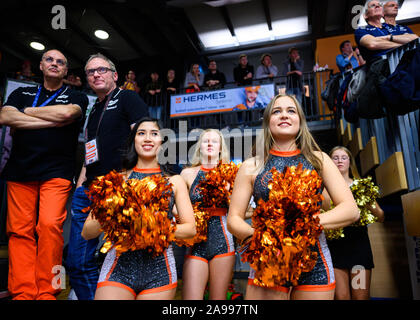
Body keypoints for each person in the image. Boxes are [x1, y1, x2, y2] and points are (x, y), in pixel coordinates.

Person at [227, 94, 359, 300]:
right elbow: (233, 218)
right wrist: (260, 237)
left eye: (291, 111)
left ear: (300, 120)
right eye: (276, 111)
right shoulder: (251, 166)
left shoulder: (319, 160)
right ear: (268, 122)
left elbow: (351, 210)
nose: (284, 115)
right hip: (268, 260)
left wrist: (302, 224)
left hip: (314, 262)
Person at [0, 49, 88, 300]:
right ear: (40, 65)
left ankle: (48, 290)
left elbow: (67, 114)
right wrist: (51, 120)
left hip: (57, 171)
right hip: (20, 170)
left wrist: (25, 113)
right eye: (49, 59)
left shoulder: (76, 95)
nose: (54, 64)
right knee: (19, 232)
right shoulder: (21, 92)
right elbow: (5, 115)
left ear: (65, 71)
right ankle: (23, 291)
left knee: (50, 226)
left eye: (60, 62)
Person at [81, 118, 196, 300]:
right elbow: (87, 233)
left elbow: (190, 229)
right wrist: (109, 210)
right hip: (118, 270)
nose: (147, 138)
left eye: (154, 134)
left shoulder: (174, 181)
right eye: (141, 133)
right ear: (133, 141)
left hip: (160, 274)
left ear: (162, 142)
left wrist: (152, 229)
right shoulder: (116, 180)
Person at [66, 53, 149, 300]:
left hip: (119, 189)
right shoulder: (93, 110)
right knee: (77, 263)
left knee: (125, 260)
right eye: (90, 72)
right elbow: (91, 152)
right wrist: (80, 185)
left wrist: (130, 177)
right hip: (88, 190)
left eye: (101, 69)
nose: (95, 74)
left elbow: (145, 138)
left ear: (114, 75)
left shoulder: (127, 97)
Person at [322, 146, 384, 300]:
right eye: (335, 158)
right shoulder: (322, 188)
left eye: (344, 157)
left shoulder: (361, 186)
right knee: (342, 297)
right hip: (335, 247)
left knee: (360, 296)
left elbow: (381, 216)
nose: (339, 161)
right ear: (329, 161)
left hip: (358, 249)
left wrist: (369, 205)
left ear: (350, 162)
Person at [181, 129, 236, 300]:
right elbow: (176, 207)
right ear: (200, 147)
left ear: (221, 148)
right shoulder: (187, 174)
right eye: (206, 141)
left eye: (214, 141)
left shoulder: (231, 173)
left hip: (224, 242)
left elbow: (242, 209)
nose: (210, 144)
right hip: (196, 244)